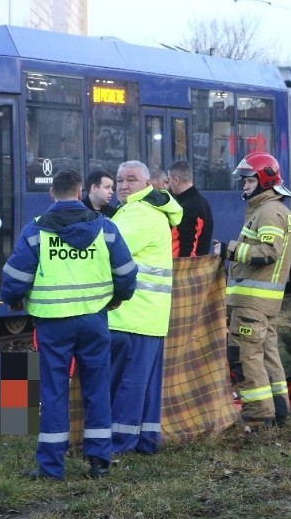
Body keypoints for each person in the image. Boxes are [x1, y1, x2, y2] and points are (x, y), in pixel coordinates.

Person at [1, 169, 137, 480]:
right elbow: (127, 274)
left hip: (52, 325)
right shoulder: (106, 229)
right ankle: (99, 461)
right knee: (97, 389)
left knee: (53, 392)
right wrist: (117, 299)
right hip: (94, 320)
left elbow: (15, 278)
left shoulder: (35, 231)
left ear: (52, 194)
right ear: (79, 193)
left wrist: (13, 299)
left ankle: (51, 467)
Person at [212, 152, 291, 430]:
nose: (244, 187)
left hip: (252, 302)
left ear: (263, 180)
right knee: (268, 356)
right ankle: (279, 410)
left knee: (244, 356)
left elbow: (270, 252)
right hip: (262, 303)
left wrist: (229, 249)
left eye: (248, 181)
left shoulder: (269, 211)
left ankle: (259, 418)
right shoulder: (270, 209)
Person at [107, 161, 182, 455]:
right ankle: (145, 441)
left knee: (126, 385)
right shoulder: (148, 211)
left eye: (131, 180)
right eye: (120, 180)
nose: (124, 185)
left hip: (130, 315)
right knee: (145, 386)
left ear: (148, 183)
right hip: (148, 316)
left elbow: (107, 249)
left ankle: (119, 445)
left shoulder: (138, 213)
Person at [167, 159, 214, 257]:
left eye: (169, 180)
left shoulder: (186, 208)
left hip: (186, 268)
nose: (168, 185)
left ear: (176, 180)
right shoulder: (202, 202)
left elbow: (185, 247)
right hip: (198, 266)